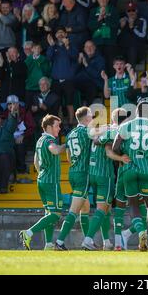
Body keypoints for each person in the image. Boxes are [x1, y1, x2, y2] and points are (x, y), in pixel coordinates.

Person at [111, 100, 148, 251]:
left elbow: (115, 147)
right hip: (146, 169)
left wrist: (124, 155)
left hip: (129, 169)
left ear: (136, 111)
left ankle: (141, 231)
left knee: (133, 204)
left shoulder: (126, 125)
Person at [81, 111, 130, 251]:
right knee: (102, 209)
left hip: (93, 173)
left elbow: (96, 140)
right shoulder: (115, 131)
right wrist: (122, 158)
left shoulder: (103, 129)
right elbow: (109, 152)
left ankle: (107, 241)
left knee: (106, 209)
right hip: (105, 174)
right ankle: (88, 239)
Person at [19, 114, 65, 251]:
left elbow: (35, 162)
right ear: (49, 127)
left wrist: (42, 174)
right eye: (57, 126)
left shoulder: (39, 140)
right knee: (56, 214)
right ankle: (28, 233)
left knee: (48, 213)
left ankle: (49, 244)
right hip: (51, 182)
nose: (59, 128)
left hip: (42, 180)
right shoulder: (50, 140)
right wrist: (64, 146)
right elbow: (55, 150)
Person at [55, 107, 93, 250]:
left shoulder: (71, 133)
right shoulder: (87, 132)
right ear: (87, 118)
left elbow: (68, 155)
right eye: (91, 116)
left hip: (73, 172)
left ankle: (87, 241)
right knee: (74, 210)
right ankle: (59, 241)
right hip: (83, 173)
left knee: (85, 208)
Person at [46, 26, 78, 125]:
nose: (60, 34)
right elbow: (48, 57)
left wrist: (67, 46)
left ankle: (71, 122)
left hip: (68, 80)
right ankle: (59, 124)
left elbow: (74, 57)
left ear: (66, 34)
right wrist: (51, 45)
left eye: (62, 32)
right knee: (57, 104)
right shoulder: (53, 46)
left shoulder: (72, 45)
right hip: (56, 80)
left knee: (69, 103)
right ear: (55, 35)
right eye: (58, 33)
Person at [88, 0, 119, 75]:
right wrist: (99, 19)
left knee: (111, 65)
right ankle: (101, 86)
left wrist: (105, 17)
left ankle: (112, 84)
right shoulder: (93, 11)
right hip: (97, 42)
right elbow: (90, 26)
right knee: (100, 65)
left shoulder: (113, 10)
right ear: (97, 0)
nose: (103, 0)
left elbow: (116, 25)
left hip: (110, 42)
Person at [2, 95, 35, 174]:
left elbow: (32, 127)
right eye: (9, 104)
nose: (11, 106)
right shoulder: (5, 113)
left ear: (17, 104)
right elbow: (4, 128)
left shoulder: (25, 111)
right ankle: (11, 170)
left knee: (20, 145)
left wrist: (23, 136)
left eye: (13, 104)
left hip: (24, 136)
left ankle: (21, 169)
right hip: (10, 137)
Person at [117, 2, 147, 68]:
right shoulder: (122, 20)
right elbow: (116, 36)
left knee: (132, 49)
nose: (131, 12)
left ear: (136, 10)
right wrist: (120, 27)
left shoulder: (141, 20)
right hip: (123, 47)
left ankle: (132, 75)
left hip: (137, 49)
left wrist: (132, 27)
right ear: (126, 12)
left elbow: (143, 36)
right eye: (129, 11)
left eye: (133, 10)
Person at [24, 43, 51, 108]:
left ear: (41, 50)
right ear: (32, 49)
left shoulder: (44, 59)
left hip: (40, 87)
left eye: (38, 48)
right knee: (28, 105)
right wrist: (32, 59)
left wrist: (38, 62)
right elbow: (25, 70)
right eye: (35, 48)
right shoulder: (28, 59)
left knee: (39, 105)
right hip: (29, 86)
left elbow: (47, 71)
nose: (37, 50)